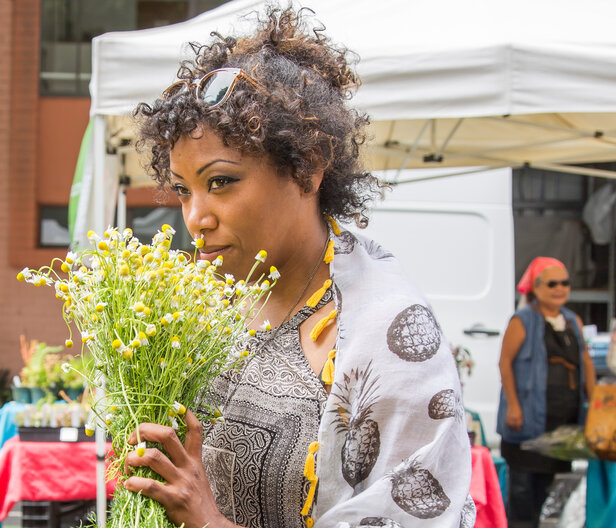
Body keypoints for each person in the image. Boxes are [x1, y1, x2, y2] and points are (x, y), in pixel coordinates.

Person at [125, 7, 474, 528]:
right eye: (182, 189)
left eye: (220, 181)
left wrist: (206, 520)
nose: (195, 218)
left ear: (308, 167)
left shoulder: (389, 333)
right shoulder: (204, 307)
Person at [496, 257, 595, 528]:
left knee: (543, 488)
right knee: (522, 491)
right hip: (527, 420)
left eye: (565, 283)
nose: (560, 288)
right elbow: (505, 362)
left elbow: (585, 361)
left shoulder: (572, 321)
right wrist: (514, 406)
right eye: (552, 283)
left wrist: (596, 401)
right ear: (536, 288)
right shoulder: (522, 319)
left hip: (559, 423)